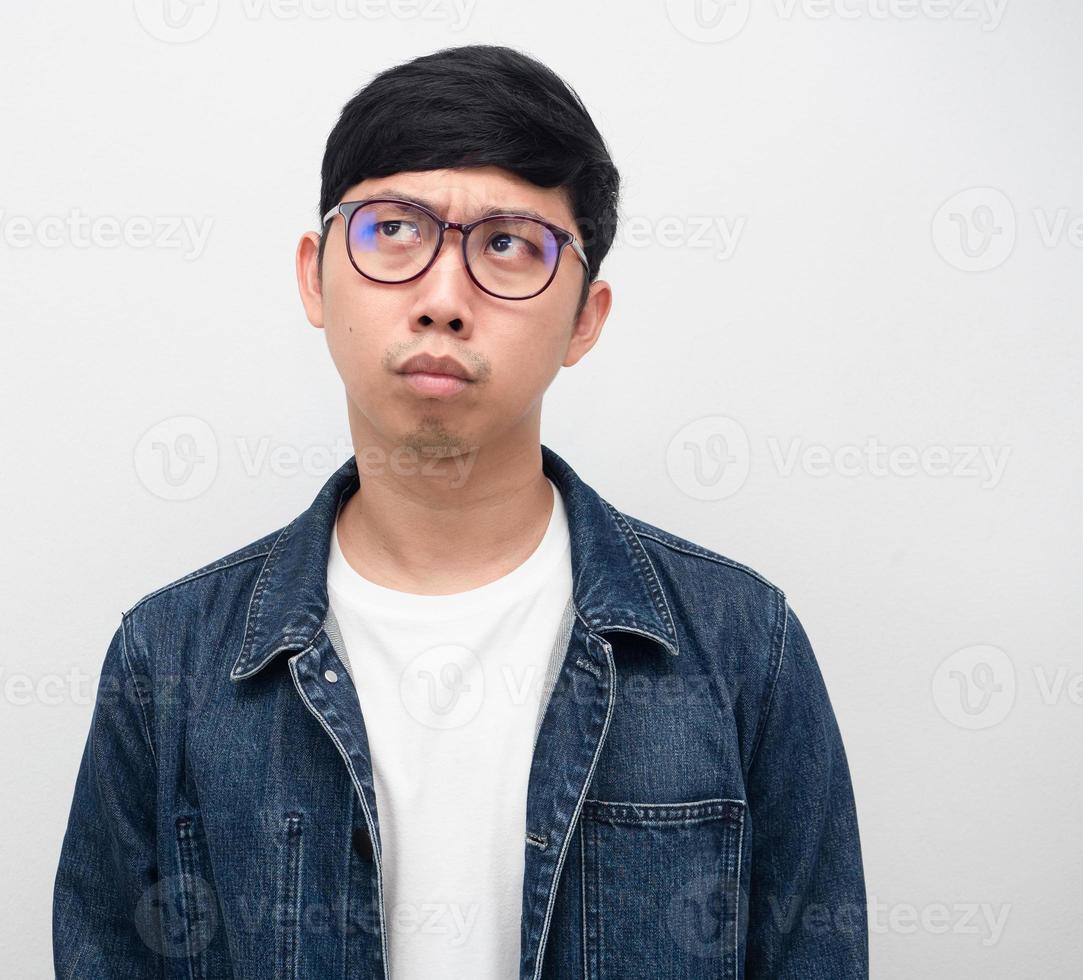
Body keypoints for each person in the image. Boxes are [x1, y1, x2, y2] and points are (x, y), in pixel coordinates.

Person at [53, 43, 867, 980]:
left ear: (585, 318)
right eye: (394, 230)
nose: (443, 299)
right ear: (316, 276)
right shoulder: (169, 658)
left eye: (509, 245)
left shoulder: (740, 645)